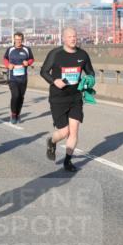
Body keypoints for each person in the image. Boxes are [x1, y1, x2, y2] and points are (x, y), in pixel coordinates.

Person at [40, 27, 94, 172]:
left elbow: (90, 72)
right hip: (58, 98)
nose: (73, 39)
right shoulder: (56, 54)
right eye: (70, 36)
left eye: (75, 36)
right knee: (64, 132)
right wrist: (54, 81)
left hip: (75, 97)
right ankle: (51, 141)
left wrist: (88, 80)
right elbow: (43, 71)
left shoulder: (83, 55)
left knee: (74, 131)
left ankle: (67, 162)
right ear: (63, 38)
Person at [3, 31, 34, 124]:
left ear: (22, 40)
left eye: (20, 40)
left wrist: (28, 63)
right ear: (14, 39)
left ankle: (18, 114)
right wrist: (8, 65)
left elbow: (32, 59)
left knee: (21, 97)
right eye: (16, 39)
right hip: (12, 78)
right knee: (15, 95)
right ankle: (13, 115)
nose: (18, 41)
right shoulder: (10, 49)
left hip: (23, 78)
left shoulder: (27, 49)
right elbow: (5, 59)